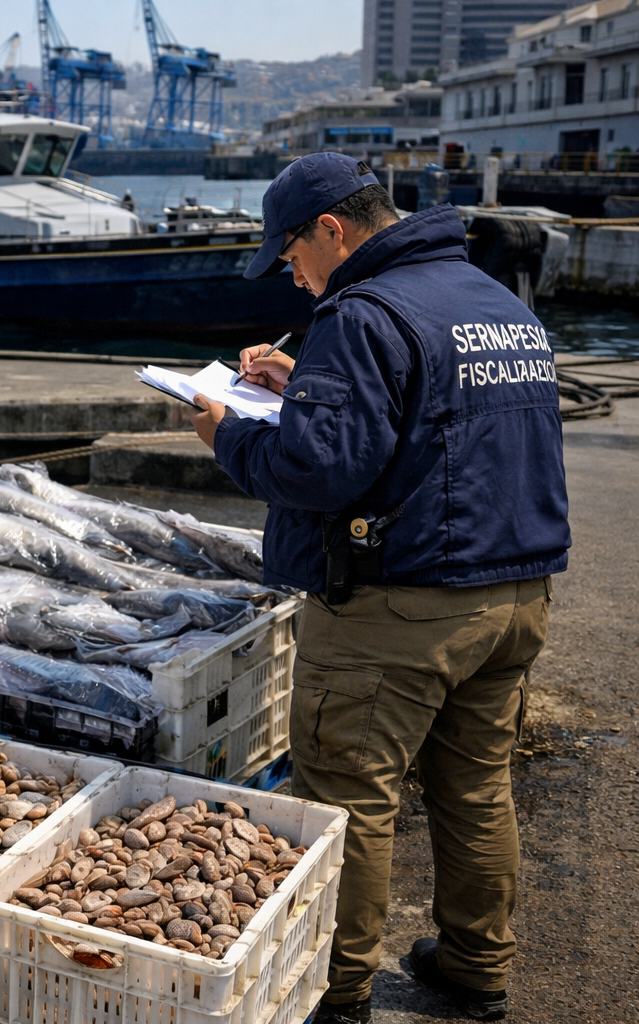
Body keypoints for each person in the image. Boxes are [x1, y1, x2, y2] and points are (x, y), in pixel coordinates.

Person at [189, 152, 570, 1024]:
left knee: (347, 801)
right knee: (475, 787)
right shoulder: (496, 304)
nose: (292, 276)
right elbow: (432, 424)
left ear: (332, 229)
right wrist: (304, 388)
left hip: (399, 606)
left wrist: (225, 435)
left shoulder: (361, 314)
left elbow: (317, 470)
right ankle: (477, 966)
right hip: (515, 592)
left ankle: (338, 992)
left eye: (292, 256)